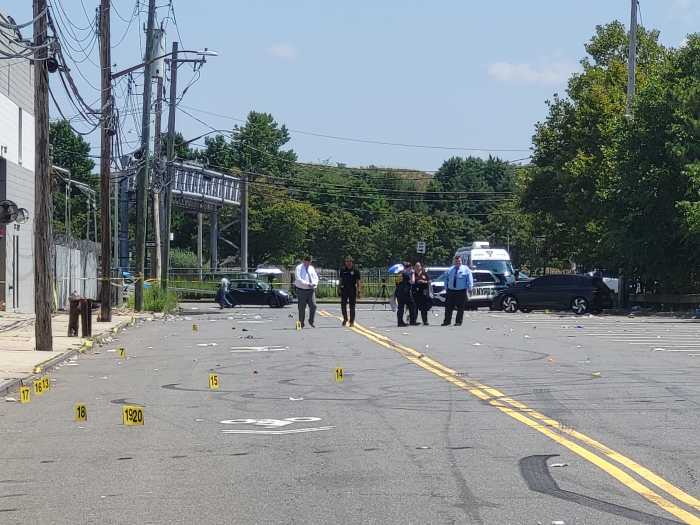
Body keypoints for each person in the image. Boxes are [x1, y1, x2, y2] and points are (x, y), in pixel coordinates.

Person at [442, 255, 473, 326]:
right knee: (448, 307)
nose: (458, 262)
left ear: (461, 261)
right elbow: (446, 279)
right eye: (456, 261)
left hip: (461, 291)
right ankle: (447, 321)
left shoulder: (466, 269)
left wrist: (470, 288)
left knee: (460, 308)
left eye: (459, 261)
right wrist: (446, 288)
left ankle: (458, 322)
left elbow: (469, 279)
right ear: (454, 262)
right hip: (451, 291)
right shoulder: (450, 269)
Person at [294, 256, 319, 328]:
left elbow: (316, 277)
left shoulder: (311, 268)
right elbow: (298, 278)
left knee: (313, 306)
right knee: (302, 307)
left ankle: (311, 321)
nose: (309, 263)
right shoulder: (298, 268)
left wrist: (314, 283)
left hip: (311, 290)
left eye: (310, 262)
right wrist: (307, 284)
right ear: (304, 261)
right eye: (307, 262)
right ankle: (301, 323)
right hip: (302, 290)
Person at [339, 256, 361, 327]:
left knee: (352, 306)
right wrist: (338, 288)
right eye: (347, 261)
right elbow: (341, 279)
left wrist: (359, 290)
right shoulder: (342, 270)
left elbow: (358, 281)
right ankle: (345, 318)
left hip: (352, 289)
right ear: (345, 262)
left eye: (350, 261)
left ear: (352, 262)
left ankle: (352, 321)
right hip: (344, 289)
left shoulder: (355, 270)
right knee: (343, 305)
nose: (348, 263)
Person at [395, 261, 415, 327]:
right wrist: (413, 274)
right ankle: (412, 321)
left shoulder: (399, 274)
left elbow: (397, 283)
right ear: (408, 267)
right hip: (405, 293)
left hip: (399, 293)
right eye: (410, 267)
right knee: (412, 306)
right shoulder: (406, 274)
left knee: (400, 308)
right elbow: (412, 282)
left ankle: (400, 322)